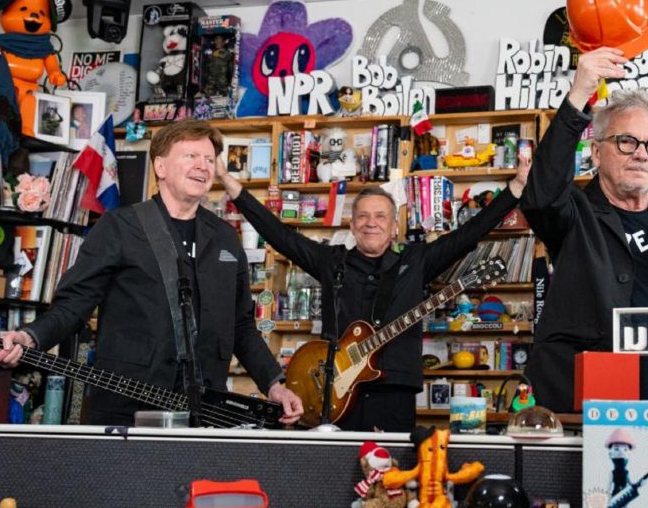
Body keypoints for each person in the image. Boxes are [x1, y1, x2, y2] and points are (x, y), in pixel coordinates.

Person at [0, 120, 303, 427]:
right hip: (127, 408)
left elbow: (242, 325)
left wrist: (274, 384)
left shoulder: (224, 237)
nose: (203, 166)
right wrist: (30, 336)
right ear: (160, 167)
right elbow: (74, 304)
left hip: (205, 411)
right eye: (190, 156)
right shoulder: (120, 227)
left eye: (209, 159)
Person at [217, 151, 531, 432]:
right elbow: (279, 234)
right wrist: (231, 184)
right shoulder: (332, 261)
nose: (371, 223)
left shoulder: (416, 260)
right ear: (352, 226)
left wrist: (515, 187)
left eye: (381, 216)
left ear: (395, 226)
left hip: (393, 396)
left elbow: (469, 233)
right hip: (332, 394)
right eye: (363, 216)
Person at [519, 47, 648, 413]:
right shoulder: (573, 213)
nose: (641, 154)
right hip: (591, 403)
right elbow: (540, 195)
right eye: (626, 142)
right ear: (596, 153)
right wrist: (579, 94)